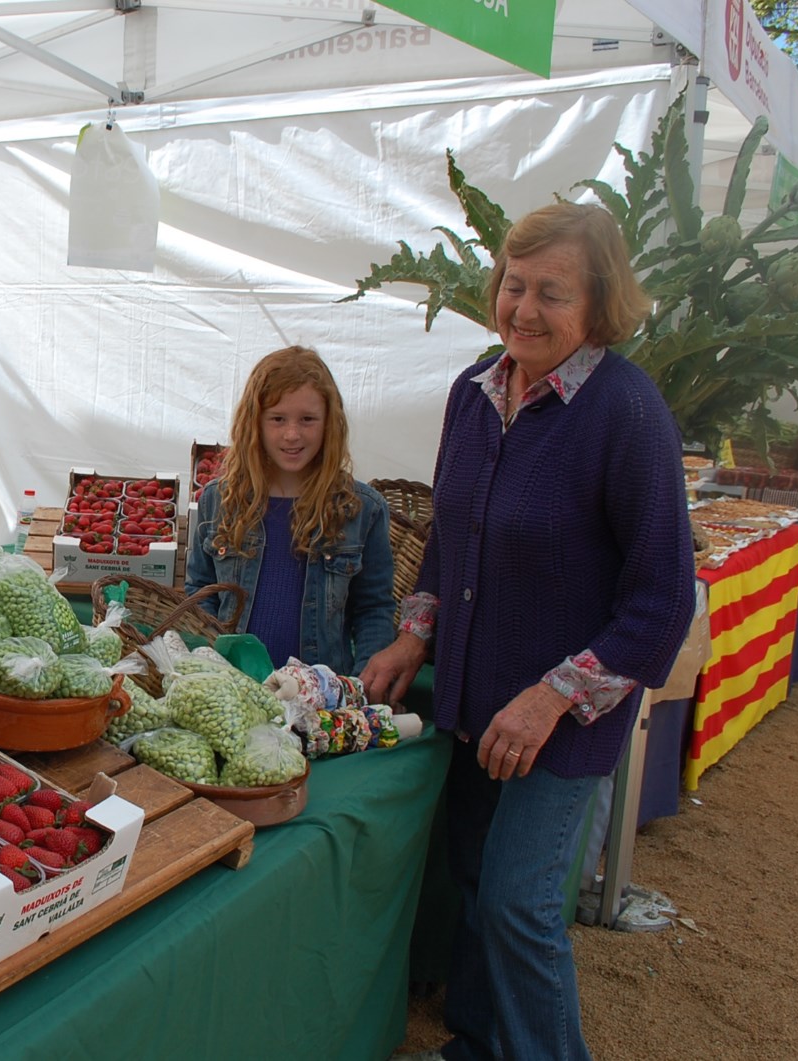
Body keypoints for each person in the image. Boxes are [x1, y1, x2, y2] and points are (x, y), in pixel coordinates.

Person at [362, 202, 695, 1061]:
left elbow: (661, 596)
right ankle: (477, 1044)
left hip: (562, 714)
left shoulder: (624, 409)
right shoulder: (474, 392)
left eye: (554, 292)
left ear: (599, 306)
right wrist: (414, 636)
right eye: (515, 285)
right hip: (475, 693)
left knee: (518, 901)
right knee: (472, 883)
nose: (525, 309)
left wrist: (551, 698)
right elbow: (448, 536)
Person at [184, 345, 396, 676]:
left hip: (319, 698)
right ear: (254, 423)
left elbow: (373, 608)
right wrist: (201, 665)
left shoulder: (361, 509)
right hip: (233, 688)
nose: (292, 434)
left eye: (308, 420)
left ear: (330, 424)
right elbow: (199, 594)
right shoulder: (219, 500)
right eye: (278, 419)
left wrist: (363, 681)